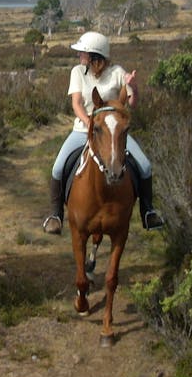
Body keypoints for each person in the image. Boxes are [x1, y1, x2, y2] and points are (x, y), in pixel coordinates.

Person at [42, 31, 163, 234]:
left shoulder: (117, 72)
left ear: (94, 56)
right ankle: (55, 215)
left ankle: (148, 212)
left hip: (112, 133)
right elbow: (76, 103)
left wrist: (133, 87)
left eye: (83, 53)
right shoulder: (78, 72)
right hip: (83, 130)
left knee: (144, 165)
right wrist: (90, 124)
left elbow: (132, 103)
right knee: (58, 167)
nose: (79, 56)